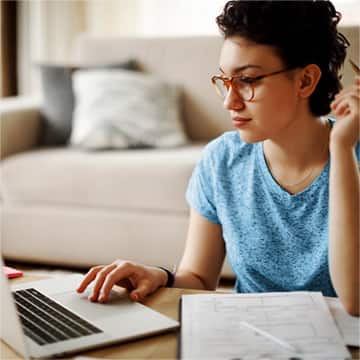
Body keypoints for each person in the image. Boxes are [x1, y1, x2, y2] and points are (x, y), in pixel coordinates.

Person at [77, 0, 359, 315]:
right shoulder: (221, 160)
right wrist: (159, 276)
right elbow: (197, 278)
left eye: (248, 80)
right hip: (249, 337)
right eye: (225, 81)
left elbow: (355, 299)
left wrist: (343, 151)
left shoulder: (353, 155)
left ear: (305, 81)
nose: (230, 102)